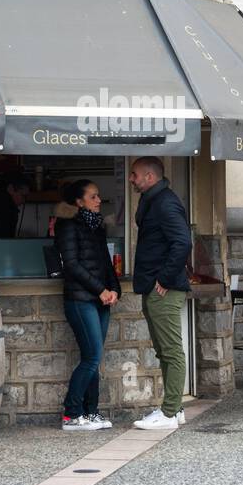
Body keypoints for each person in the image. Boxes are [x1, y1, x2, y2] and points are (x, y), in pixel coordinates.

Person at [128, 157, 191, 430]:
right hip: (154, 286)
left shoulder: (165, 202)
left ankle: (168, 413)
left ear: (149, 177)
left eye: (134, 175)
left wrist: (164, 278)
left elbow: (183, 241)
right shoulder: (152, 200)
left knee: (171, 351)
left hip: (164, 288)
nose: (131, 179)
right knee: (164, 351)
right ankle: (173, 409)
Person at [53, 179, 120, 431]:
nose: (98, 200)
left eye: (98, 195)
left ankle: (91, 412)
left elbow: (105, 262)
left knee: (94, 357)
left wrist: (114, 289)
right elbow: (71, 265)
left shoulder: (97, 226)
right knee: (92, 357)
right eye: (93, 196)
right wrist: (100, 289)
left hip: (101, 298)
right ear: (79, 202)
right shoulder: (68, 225)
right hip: (80, 299)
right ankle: (72, 413)